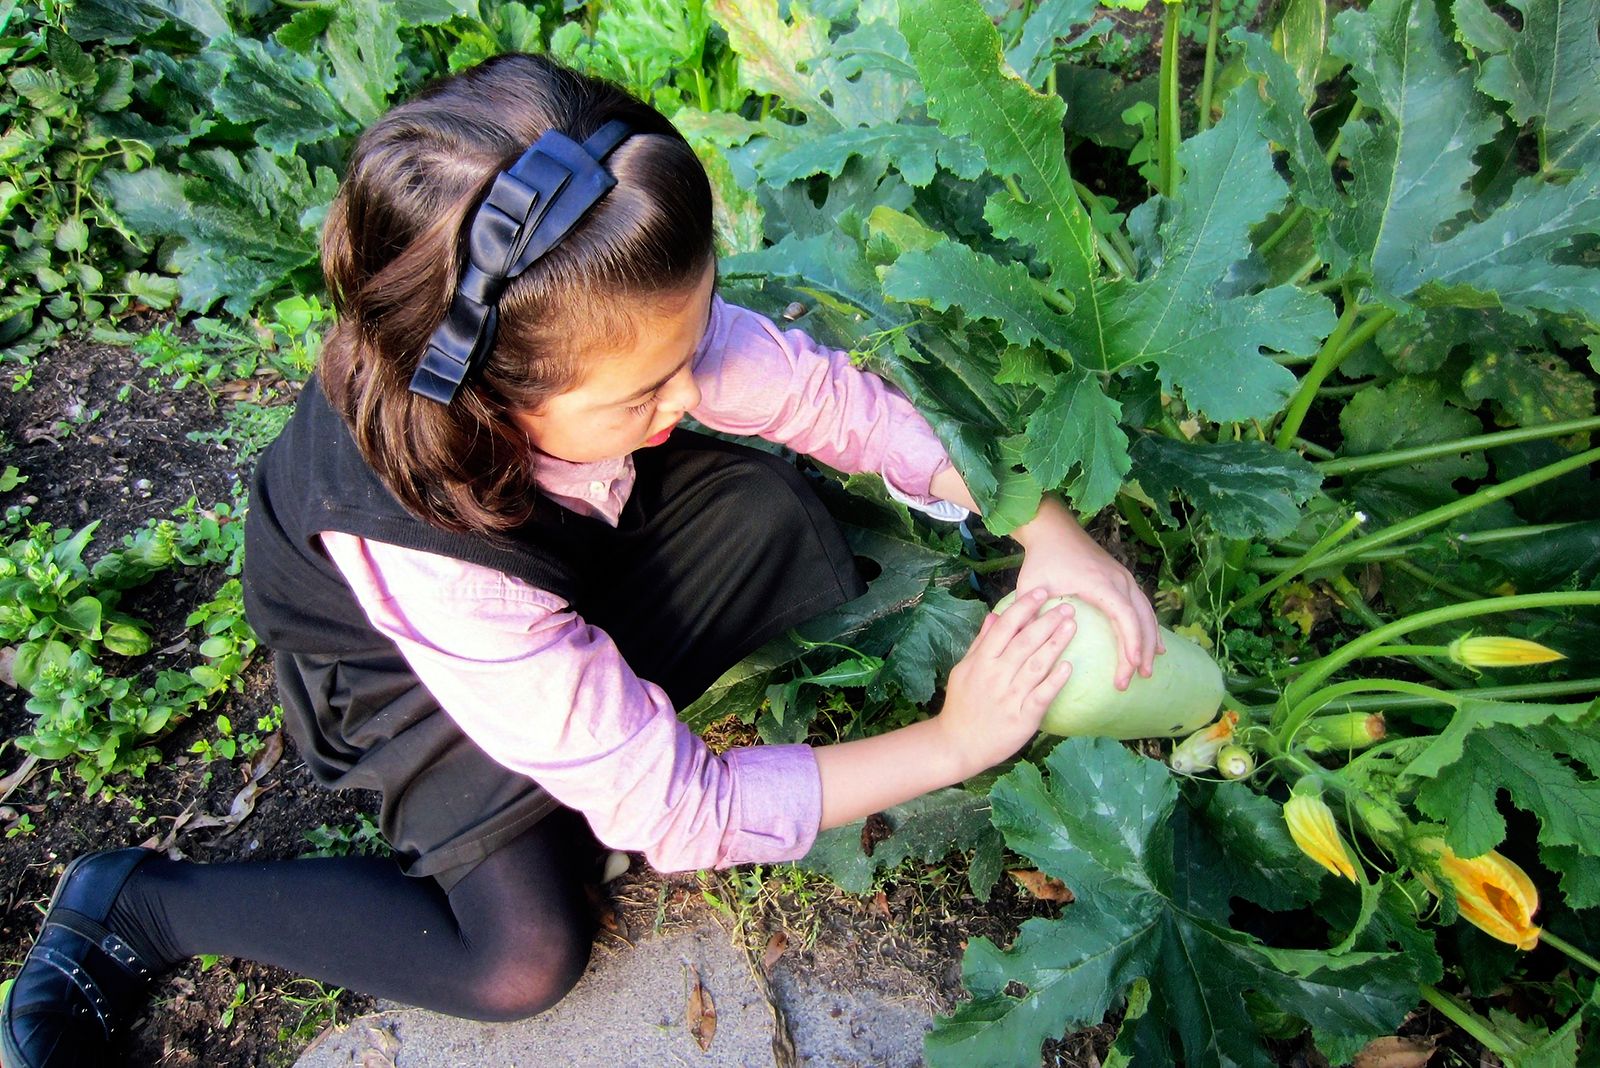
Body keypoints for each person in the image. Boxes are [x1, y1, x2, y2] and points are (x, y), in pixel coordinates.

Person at [0, 54, 1160, 1068]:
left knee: (774, 514)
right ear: (494, 393)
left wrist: (1043, 529)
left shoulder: (579, 297)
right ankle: (144, 907)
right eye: (649, 388)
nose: (698, 391)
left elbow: (823, 398)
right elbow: (686, 814)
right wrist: (954, 743)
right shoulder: (432, 561)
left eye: (694, 337)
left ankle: (575, 742)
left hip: (554, 552)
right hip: (404, 678)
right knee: (522, 958)